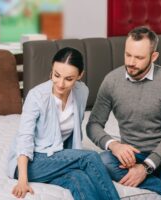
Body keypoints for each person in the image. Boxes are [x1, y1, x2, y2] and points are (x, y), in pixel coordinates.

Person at [86, 26, 161, 200]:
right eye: (128, 55)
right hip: (131, 155)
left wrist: (145, 168)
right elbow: (93, 125)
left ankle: (158, 182)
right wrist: (114, 145)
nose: (130, 62)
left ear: (154, 57)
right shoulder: (111, 81)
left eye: (138, 57)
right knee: (101, 162)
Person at [7, 47, 120, 200]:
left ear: (80, 75)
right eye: (56, 75)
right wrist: (22, 180)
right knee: (90, 157)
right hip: (31, 162)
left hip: (56, 158)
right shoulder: (36, 96)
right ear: (51, 71)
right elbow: (24, 139)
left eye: (69, 79)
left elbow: (73, 134)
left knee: (78, 178)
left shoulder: (82, 92)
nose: (60, 84)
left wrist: (70, 155)